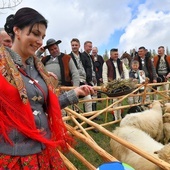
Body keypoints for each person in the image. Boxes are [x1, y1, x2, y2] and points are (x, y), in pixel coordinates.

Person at [0, 7, 94, 169]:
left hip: (44, 149)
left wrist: (75, 93)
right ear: (17, 31)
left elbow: (43, 106)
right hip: (14, 156)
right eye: (35, 34)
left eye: (42, 36)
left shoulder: (39, 69)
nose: (40, 41)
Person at [102, 48, 129, 120]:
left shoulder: (120, 62)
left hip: (120, 83)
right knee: (114, 101)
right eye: (115, 54)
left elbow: (126, 71)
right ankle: (116, 118)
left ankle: (119, 116)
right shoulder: (106, 63)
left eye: (117, 54)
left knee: (120, 100)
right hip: (112, 84)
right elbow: (104, 74)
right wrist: (106, 84)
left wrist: (126, 80)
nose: (116, 55)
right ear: (111, 55)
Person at [81, 41, 97, 112]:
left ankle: (93, 113)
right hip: (87, 80)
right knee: (87, 98)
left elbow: (92, 68)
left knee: (93, 96)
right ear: (84, 47)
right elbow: (83, 68)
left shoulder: (90, 56)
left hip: (93, 79)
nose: (90, 48)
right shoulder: (82, 56)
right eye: (89, 46)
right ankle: (87, 115)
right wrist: (86, 80)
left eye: (91, 46)